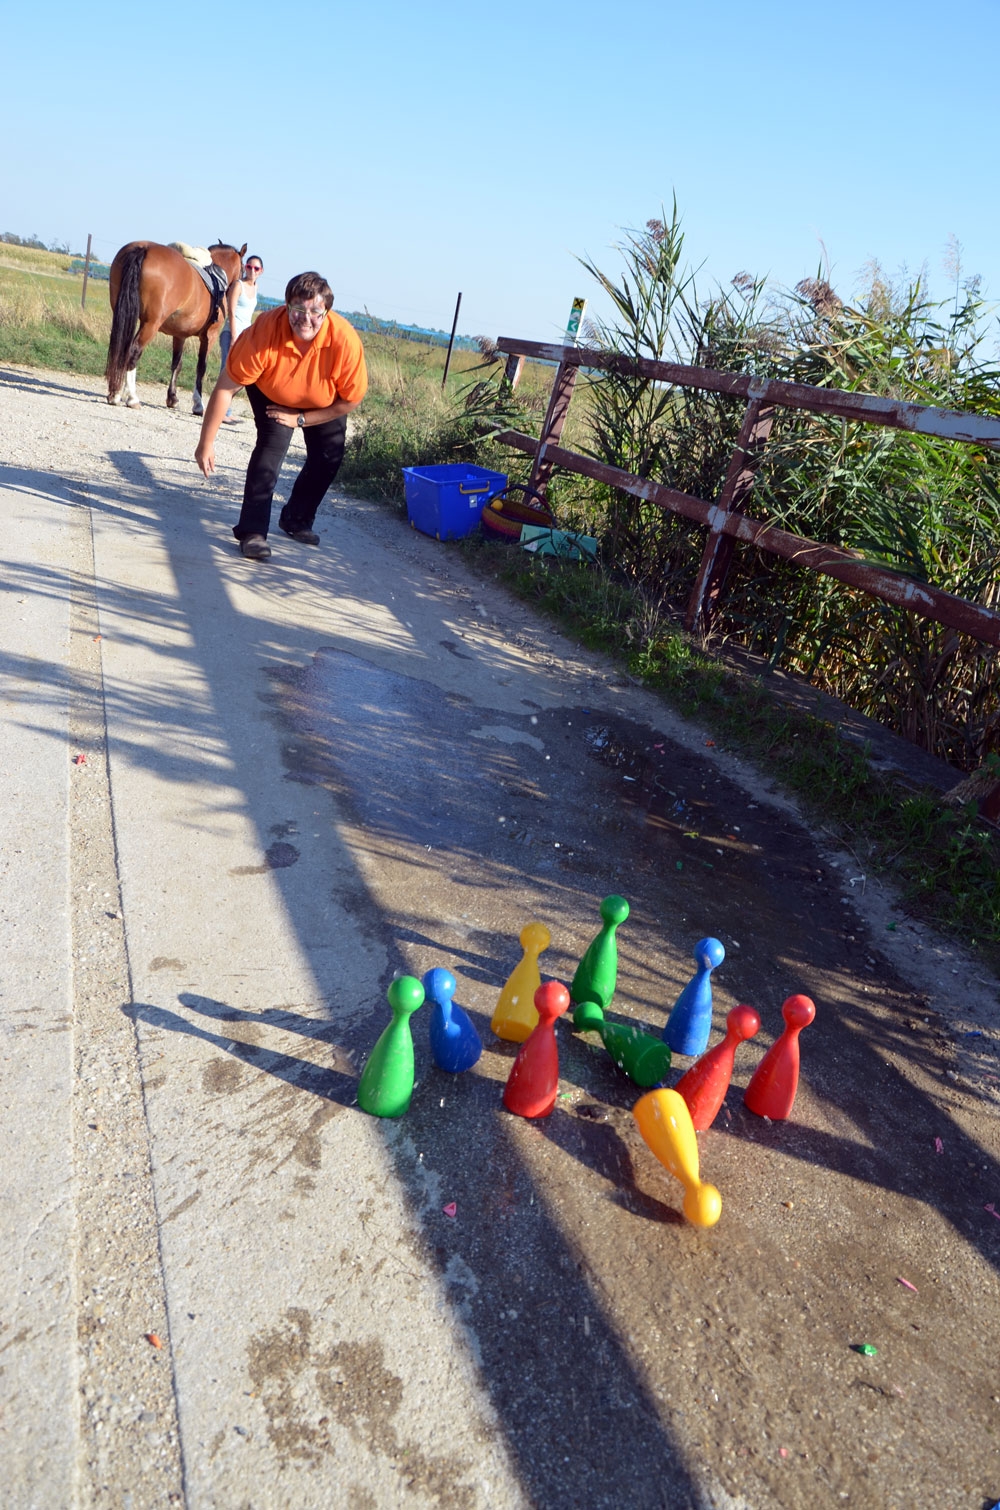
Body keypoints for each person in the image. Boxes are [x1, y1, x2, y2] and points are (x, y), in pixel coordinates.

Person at [195, 271, 367, 561]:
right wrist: (206, 443)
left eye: (315, 312)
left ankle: (296, 519)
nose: (306, 319)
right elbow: (226, 387)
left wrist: (301, 419)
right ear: (287, 306)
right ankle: (252, 533)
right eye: (298, 309)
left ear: (327, 311)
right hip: (272, 390)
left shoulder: (344, 341)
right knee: (272, 447)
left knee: (329, 456)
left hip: (323, 401)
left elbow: (351, 399)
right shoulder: (265, 332)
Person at [218, 253, 263, 421]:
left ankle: (226, 410)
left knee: (241, 374)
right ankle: (220, 412)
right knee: (226, 371)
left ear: (261, 271)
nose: (252, 270)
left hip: (246, 336)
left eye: (255, 268)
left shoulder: (256, 287)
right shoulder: (239, 285)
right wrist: (234, 336)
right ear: (245, 268)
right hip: (232, 333)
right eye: (249, 267)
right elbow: (231, 311)